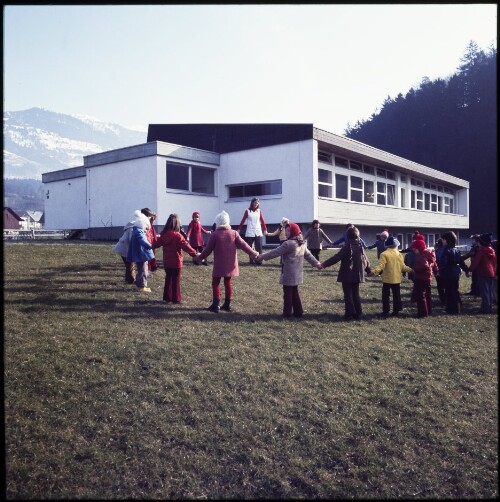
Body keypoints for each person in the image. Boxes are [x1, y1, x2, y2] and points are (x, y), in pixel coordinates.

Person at [195, 210, 259, 313]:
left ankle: (216, 305)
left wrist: (199, 257)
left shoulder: (215, 234)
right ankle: (227, 304)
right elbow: (244, 245)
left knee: (215, 282)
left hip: (219, 263)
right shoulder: (234, 233)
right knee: (228, 282)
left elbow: (208, 250)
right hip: (230, 263)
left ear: (218, 222)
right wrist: (253, 253)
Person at [255, 223, 321, 318]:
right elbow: (309, 256)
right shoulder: (301, 243)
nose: (286, 232)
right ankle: (298, 312)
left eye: (289, 230)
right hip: (297, 274)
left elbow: (275, 252)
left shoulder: (288, 244)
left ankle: (287, 313)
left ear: (294, 232)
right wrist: (317, 264)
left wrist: (261, 257)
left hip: (289, 273)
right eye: (286, 230)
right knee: (294, 292)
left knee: (288, 294)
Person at [320, 225, 371, 320]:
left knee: (348, 295)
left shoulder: (347, 247)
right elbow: (366, 259)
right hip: (357, 275)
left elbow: (336, 257)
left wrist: (324, 264)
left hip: (347, 274)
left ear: (347, 236)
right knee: (355, 294)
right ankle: (358, 313)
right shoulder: (360, 246)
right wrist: (368, 270)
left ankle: (350, 313)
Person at [152, 213, 198, 304]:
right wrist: (195, 254)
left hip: (167, 261)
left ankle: (167, 297)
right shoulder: (178, 236)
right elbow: (186, 246)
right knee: (175, 280)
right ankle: (176, 299)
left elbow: (156, 244)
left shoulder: (163, 234)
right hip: (176, 261)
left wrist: (149, 245)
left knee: (168, 278)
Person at [368, 236, 413, 317]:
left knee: (385, 296)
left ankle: (386, 311)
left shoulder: (384, 254)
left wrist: (373, 272)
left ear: (387, 245)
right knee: (397, 295)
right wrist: (412, 270)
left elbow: (381, 266)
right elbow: (403, 267)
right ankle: (396, 310)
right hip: (397, 279)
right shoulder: (399, 254)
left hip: (387, 279)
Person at [436, 231, 470, 314]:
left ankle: (452, 309)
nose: (442, 241)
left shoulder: (446, 250)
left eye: (443, 240)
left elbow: (443, 263)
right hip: (456, 273)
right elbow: (461, 262)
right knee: (455, 290)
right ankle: (457, 306)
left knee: (449, 292)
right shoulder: (457, 250)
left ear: (448, 240)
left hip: (448, 273)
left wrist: (438, 270)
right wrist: (466, 270)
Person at [126, 210, 155, 293]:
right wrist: (150, 245)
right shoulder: (139, 231)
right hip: (141, 254)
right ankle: (142, 286)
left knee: (142, 270)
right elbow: (143, 241)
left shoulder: (137, 230)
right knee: (143, 271)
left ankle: (140, 284)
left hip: (140, 254)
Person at [469, 232, 497, 314]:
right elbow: (495, 263)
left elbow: (475, 263)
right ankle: (489, 307)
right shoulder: (492, 251)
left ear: (482, 243)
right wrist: (494, 272)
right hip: (491, 273)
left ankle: (486, 309)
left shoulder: (481, 252)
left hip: (483, 273)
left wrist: (470, 270)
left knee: (484, 292)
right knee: (489, 292)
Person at [410, 238, 439, 318]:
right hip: (428, 278)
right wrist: (436, 271)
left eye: (415, 249)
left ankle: (422, 313)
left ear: (419, 249)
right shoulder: (430, 254)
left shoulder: (422, 257)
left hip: (421, 278)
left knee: (421, 296)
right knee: (428, 295)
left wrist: (415, 270)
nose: (414, 251)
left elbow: (424, 266)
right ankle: (429, 311)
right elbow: (434, 264)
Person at [238, 197, 268, 265]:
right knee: (250, 247)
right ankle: (251, 260)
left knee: (259, 246)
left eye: (257, 203)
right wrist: (239, 229)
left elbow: (262, 221)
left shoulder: (259, 211)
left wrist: (265, 229)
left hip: (258, 231)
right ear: (252, 203)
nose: (256, 204)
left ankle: (259, 260)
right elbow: (243, 220)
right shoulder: (247, 211)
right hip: (250, 231)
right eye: (255, 202)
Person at [113, 214, 138, 284]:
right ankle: (130, 280)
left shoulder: (132, 226)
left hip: (124, 248)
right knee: (130, 265)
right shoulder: (133, 228)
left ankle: (128, 279)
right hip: (125, 249)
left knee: (129, 265)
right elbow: (131, 240)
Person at [141, 208, 159, 272]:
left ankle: (153, 266)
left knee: (152, 254)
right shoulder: (143, 224)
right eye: (149, 216)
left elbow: (154, 216)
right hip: (147, 242)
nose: (151, 217)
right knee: (148, 255)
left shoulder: (149, 222)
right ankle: (148, 268)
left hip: (151, 240)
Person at [433, 238, 446, 304]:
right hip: (445, 271)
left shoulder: (435, 252)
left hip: (438, 271)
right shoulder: (446, 251)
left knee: (440, 286)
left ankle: (442, 299)